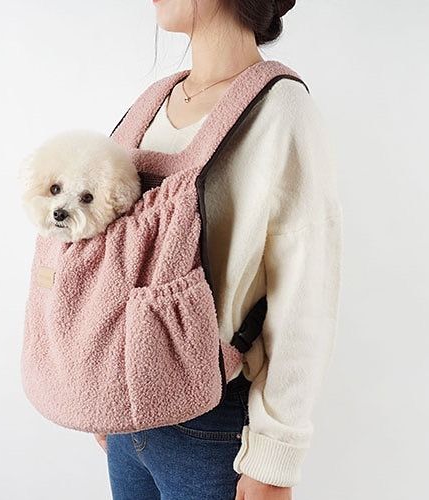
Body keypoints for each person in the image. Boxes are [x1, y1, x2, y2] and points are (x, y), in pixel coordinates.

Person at [94, 1, 343, 499]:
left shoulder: (280, 110)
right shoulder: (151, 104)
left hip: (213, 425)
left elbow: (305, 296)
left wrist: (274, 458)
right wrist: (99, 390)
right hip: (124, 417)